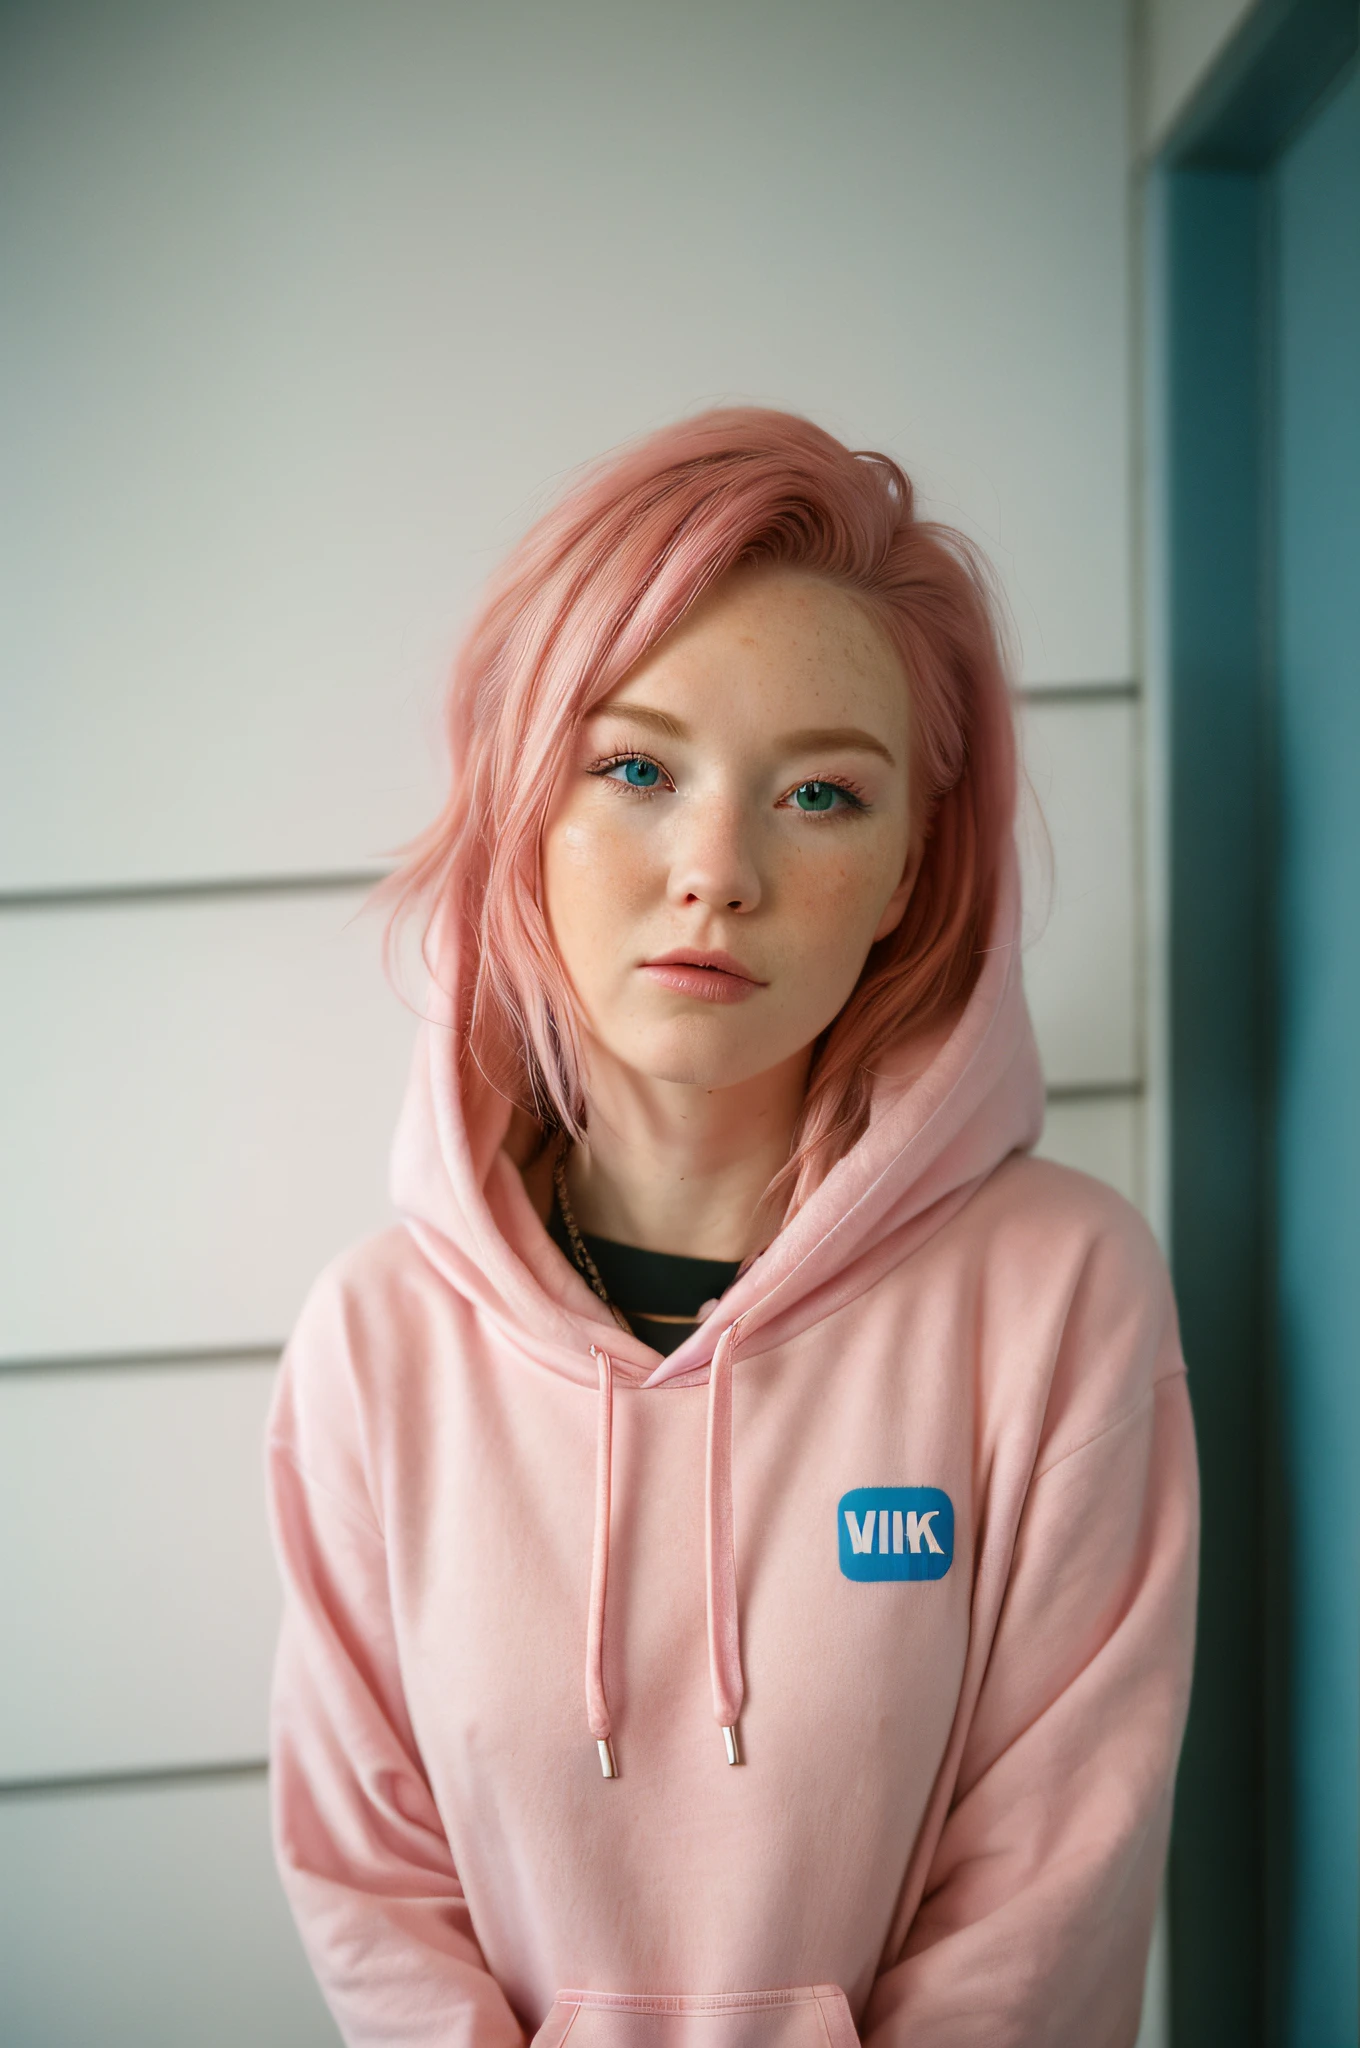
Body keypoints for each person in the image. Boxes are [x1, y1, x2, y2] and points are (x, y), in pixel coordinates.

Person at [265, 408, 1198, 2047]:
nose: (716, 871)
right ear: (523, 813)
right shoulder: (376, 1340)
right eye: (634, 768)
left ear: (915, 866)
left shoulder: (1062, 1293)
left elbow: (1056, 1884)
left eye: (824, 796)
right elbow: (371, 1887)